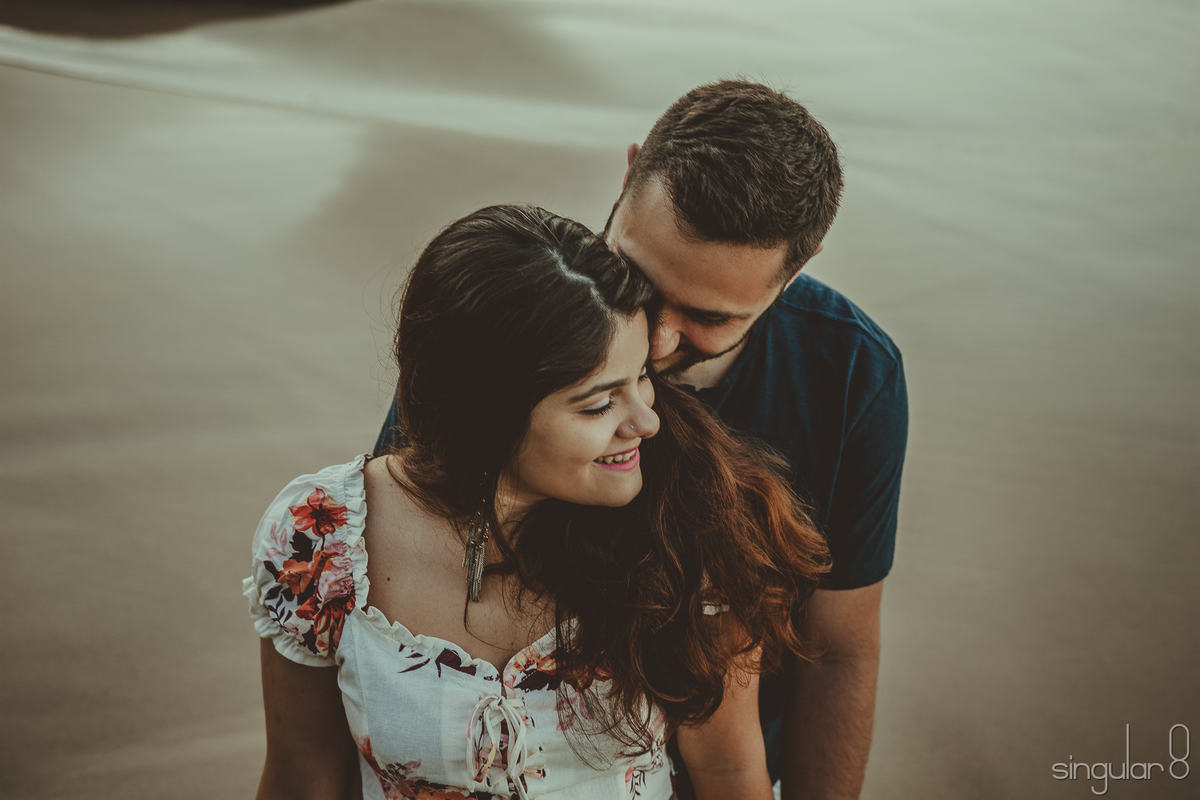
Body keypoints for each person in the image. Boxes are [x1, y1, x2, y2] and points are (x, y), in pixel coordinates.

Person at [377, 80, 909, 800]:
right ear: (629, 175)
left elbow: (838, 648)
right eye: (641, 278)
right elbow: (394, 554)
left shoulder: (851, 374)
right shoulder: (514, 323)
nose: (656, 340)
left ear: (798, 267)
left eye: (709, 318)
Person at [247, 204, 832, 800]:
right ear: (486, 415)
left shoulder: (687, 528)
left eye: (642, 378)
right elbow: (300, 779)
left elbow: (730, 774)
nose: (647, 421)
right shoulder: (318, 539)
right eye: (598, 404)